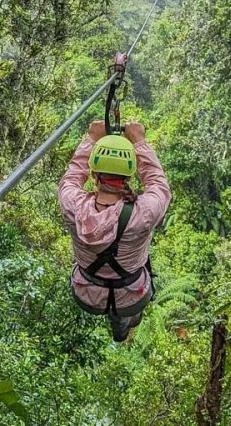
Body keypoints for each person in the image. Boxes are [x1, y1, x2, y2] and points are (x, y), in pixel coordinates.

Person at [58, 119, 172, 342]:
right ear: (129, 176)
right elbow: (158, 184)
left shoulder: (73, 205)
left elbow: (71, 177)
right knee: (131, 312)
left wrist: (91, 139)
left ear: (94, 175)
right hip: (133, 293)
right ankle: (123, 321)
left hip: (86, 291)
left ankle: (119, 319)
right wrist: (138, 142)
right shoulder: (144, 212)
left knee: (121, 303)